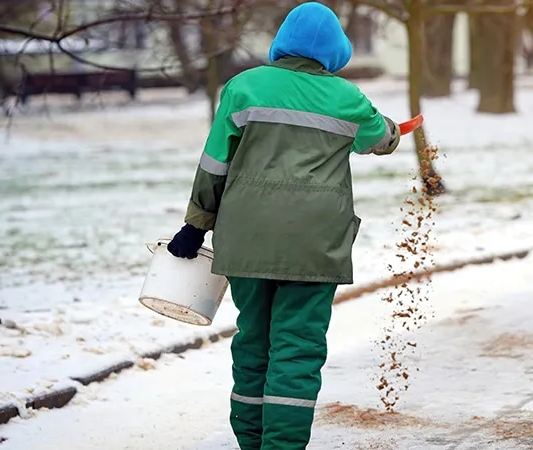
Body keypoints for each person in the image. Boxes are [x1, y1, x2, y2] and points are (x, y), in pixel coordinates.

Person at [164, 3, 401, 449]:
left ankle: (252, 443)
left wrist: (195, 225)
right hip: (315, 246)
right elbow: (380, 140)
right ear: (336, 51)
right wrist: (392, 129)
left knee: (254, 341)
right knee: (296, 349)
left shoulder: (243, 88)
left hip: (246, 241)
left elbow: (214, 164)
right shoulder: (348, 98)